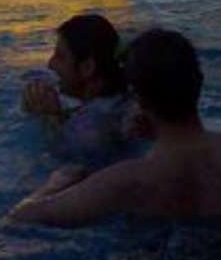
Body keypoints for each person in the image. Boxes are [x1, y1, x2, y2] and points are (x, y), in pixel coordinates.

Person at [9, 29, 221, 227]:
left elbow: (21, 216)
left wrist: (54, 183)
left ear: (138, 100)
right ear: (199, 81)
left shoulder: (128, 180)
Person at [19, 12, 138, 167]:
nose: (51, 64)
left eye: (60, 57)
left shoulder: (93, 128)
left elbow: (64, 164)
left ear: (87, 67)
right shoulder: (124, 98)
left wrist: (50, 118)